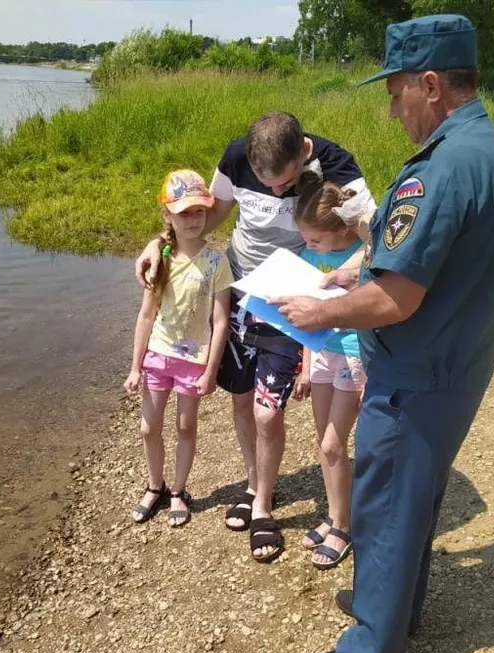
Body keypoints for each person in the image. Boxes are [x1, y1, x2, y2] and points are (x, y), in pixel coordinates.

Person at [271, 15, 494, 653]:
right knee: (416, 495)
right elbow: (432, 254)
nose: (391, 108)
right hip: (457, 360)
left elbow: (396, 301)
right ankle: (396, 606)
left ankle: (372, 647)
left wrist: (320, 308)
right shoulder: (486, 147)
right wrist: (366, 263)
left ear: (432, 85)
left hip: (419, 369)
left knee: (382, 499)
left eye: (397, 91)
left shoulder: (438, 169)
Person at [134, 113, 374, 562]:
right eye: (267, 184)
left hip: (295, 305)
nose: (278, 192)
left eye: (285, 184)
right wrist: (159, 243)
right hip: (242, 293)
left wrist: (342, 275)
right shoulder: (235, 158)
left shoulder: (338, 166)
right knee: (241, 400)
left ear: (304, 154)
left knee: (268, 413)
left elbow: (377, 240)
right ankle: (255, 486)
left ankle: (264, 507)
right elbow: (205, 219)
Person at [123, 169, 232, 528]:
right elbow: (145, 315)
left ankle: (178, 491)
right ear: (167, 215)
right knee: (148, 427)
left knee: (186, 427)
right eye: (183, 212)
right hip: (158, 355)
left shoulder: (217, 263)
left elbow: (220, 322)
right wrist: (135, 367)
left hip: (194, 361)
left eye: (199, 211)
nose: (193, 220)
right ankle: (155, 486)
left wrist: (211, 370)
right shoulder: (160, 258)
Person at [291, 172, 367, 570]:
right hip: (320, 354)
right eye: (305, 240)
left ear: (340, 230)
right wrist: (304, 366)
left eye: (316, 240)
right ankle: (334, 515)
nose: (309, 247)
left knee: (335, 445)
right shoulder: (309, 257)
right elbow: (305, 316)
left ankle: (344, 526)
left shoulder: (362, 258)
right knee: (324, 441)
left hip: (352, 354)